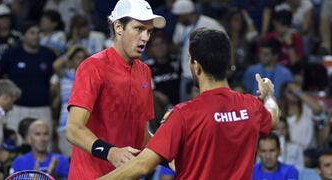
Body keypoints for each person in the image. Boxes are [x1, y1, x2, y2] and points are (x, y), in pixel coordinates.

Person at [99, 28, 279, 180]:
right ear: (227, 63)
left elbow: (142, 165)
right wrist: (268, 94)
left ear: (196, 66)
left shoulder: (184, 115)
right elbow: (274, 117)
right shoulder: (251, 106)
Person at [65, 0, 166, 179]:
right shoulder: (92, 67)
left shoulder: (144, 72)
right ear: (118, 27)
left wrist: (170, 157)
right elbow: (73, 129)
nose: (145, 37)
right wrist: (110, 152)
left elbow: (142, 136)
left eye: (149, 31)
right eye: (139, 29)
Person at [0, 22, 56, 138]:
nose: (36, 36)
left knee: (44, 143)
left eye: (38, 33)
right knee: (16, 142)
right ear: (24, 36)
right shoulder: (12, 53)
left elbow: (56, 76)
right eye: (32, 33)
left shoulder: (48, 54)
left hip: (42, 107)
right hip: (17, 107)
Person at [171, 0, 225, 101]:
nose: (178, 19)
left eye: (179, 16)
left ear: (186, 13)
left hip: (207, 73)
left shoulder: (209, 23)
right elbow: (176, 43)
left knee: (209, 105)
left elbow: (225, 43)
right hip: (187, 73)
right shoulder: (180, 26)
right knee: (186, 107)